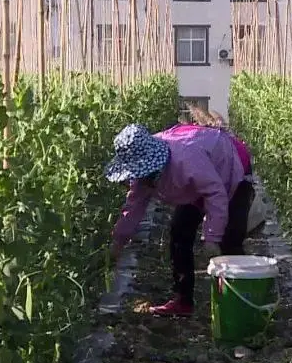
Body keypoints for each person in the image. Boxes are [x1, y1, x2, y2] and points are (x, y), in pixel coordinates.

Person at [106, 123, 255, 317]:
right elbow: (134, 206)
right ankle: (183, 301)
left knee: (230, 239)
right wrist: (118, 241)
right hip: (200, 177)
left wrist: (212, 237)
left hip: (230, 165)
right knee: (179, 231)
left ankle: (243, 305)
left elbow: (215, 193)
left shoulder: (186, 161)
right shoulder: (144, 172)